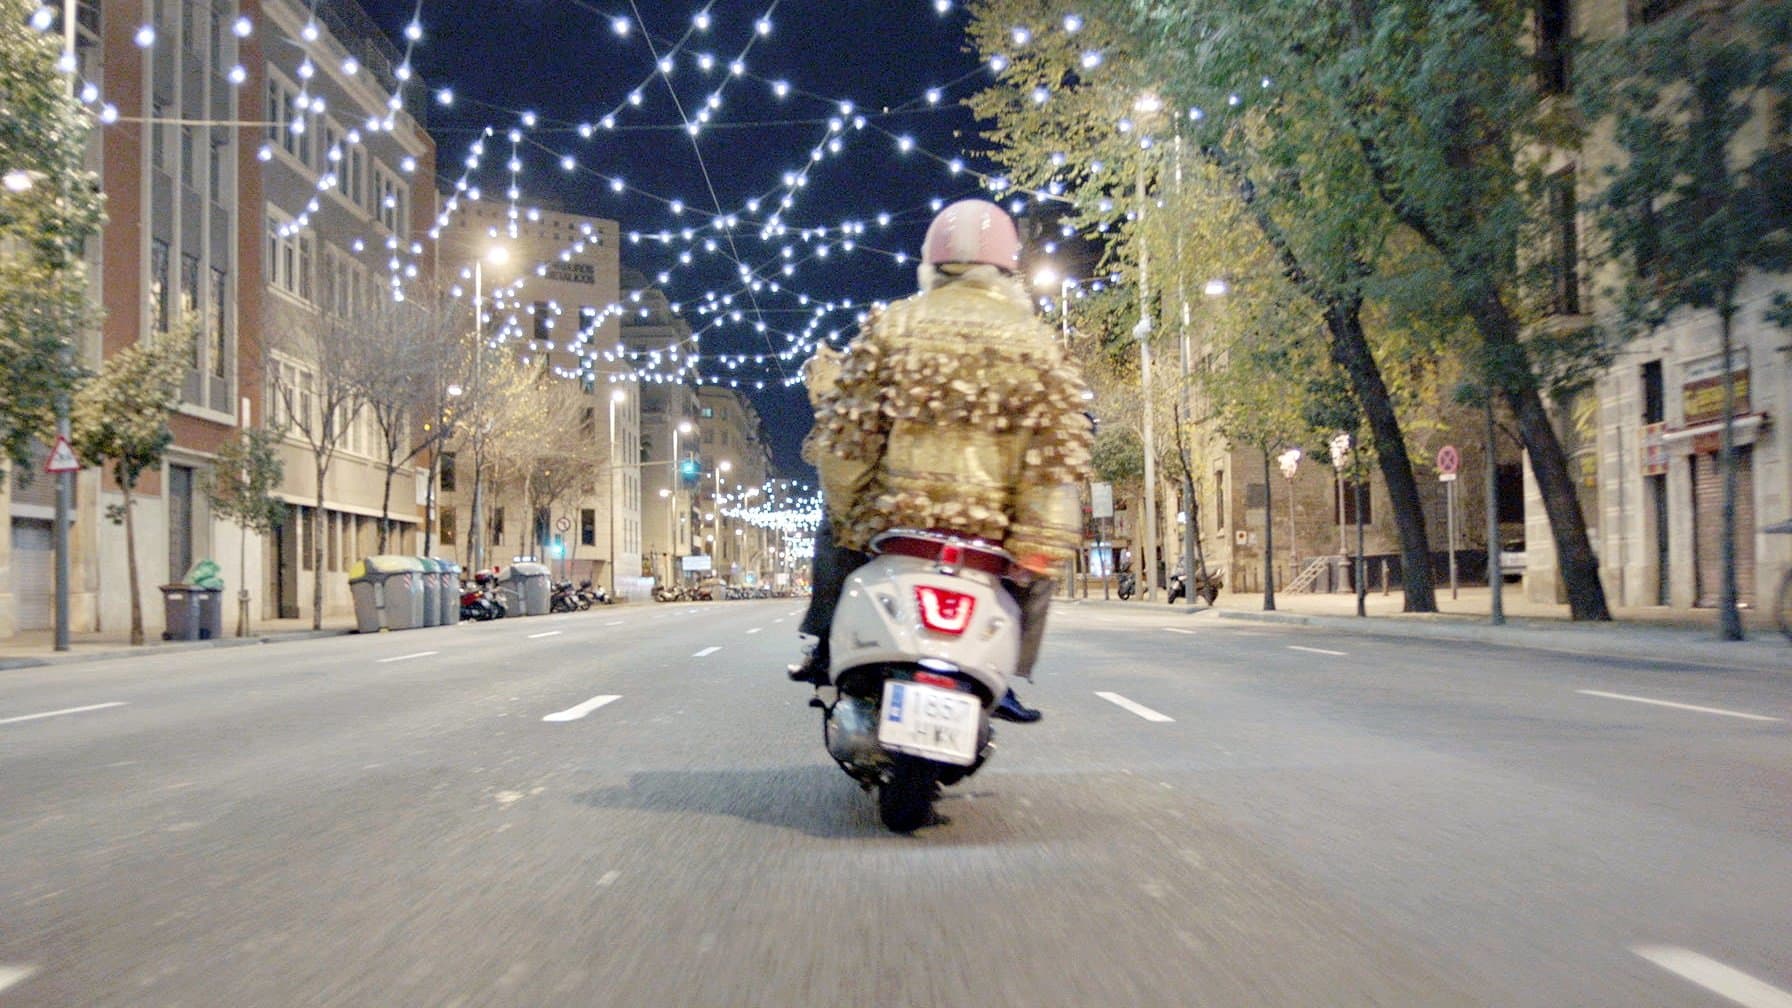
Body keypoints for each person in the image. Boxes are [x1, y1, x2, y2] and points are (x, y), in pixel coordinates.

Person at [788, 199, 1093, 724]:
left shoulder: (894, 326)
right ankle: (1010, 676)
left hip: (899, 522)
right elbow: (1052, 465)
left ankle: (823, 643)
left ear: (933, 263)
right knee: (1041, 570)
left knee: (831, 532)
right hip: (991, 537)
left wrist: (849, 515)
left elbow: (848, 446)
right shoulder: (1039, 343)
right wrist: (1037, 545)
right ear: (1007, 267)